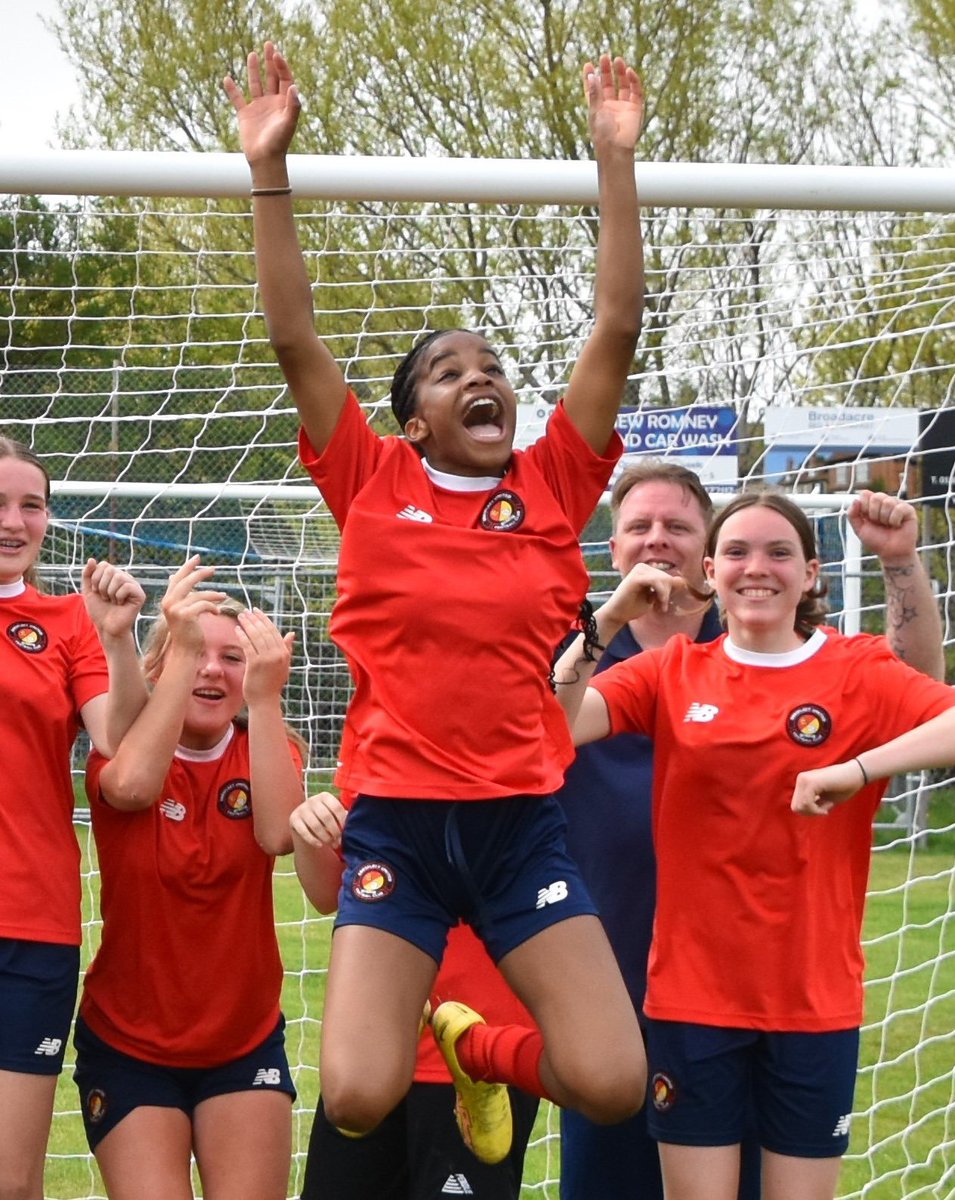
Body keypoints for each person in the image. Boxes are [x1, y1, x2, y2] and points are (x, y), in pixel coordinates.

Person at [224, 40, 646, 1162]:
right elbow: (291, 336)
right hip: (396, 827)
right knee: (356, 1095)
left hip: (519, 826)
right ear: (411, 417)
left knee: (612, 1082)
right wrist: (269, 168)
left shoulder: (554, 481)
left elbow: (613, 327)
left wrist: (614, 159)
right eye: (450, 369)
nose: (481, 376)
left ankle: (479, 1048)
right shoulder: (369, 478)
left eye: (491, 363)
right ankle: (439, 1040)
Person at [555, 464, 945, 1200]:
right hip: (680, 999)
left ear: (810, 572)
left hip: (811, 999)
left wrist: (856, 770)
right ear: (712, 570)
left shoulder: (853, 666)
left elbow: (936, 707)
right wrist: (604, 619)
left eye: (776, 552)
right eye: (737, 552)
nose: (755, 568)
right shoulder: (671, 670)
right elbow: (549, 729)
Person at [72, 558, 305, 1200]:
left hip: (242, 1041)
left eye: (233, 658)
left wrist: (265, 696)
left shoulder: (267, 747)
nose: (211, 668)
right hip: (129, 1043)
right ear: (163, 665)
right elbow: (131, 788)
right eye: (193, 651)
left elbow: (279, 835)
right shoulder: (121, 747)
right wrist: (164, 648)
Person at [0, 435, 148, 1200]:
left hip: (30, 923)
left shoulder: (64, 621)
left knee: (10, 1181)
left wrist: (120, 639)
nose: (15, 520)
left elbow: (119, 738)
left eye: (31, 504)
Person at [292, 790, 540, 1200]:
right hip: (369, 1061)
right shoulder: (385, 770)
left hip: (475, 1064)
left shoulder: (517, 776)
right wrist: (308, 828)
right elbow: (325, 891)